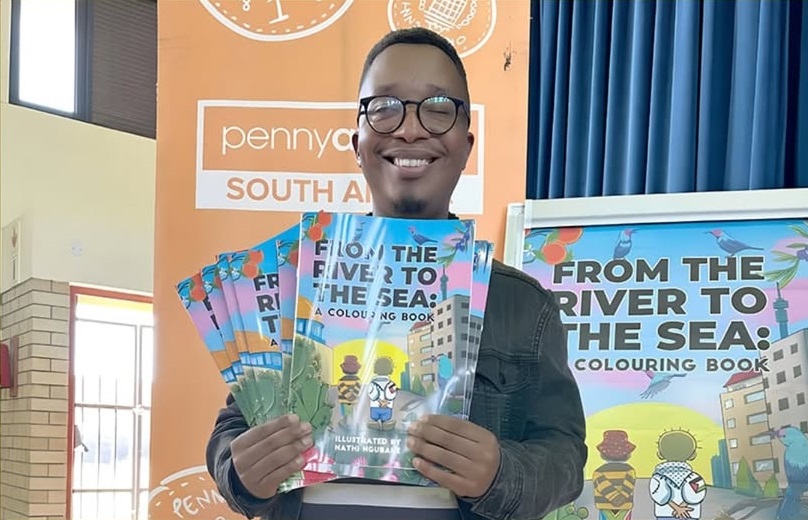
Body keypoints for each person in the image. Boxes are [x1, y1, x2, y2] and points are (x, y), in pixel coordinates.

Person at [206, 27, 587, 520]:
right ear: (357, 143)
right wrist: (240, 472)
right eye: (384, 108)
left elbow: (565, 457)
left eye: (438, 108)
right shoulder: (290, 285)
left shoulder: (523, 304)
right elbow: (232, 430)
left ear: (466, 145)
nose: (409, 130)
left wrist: (501, 473)